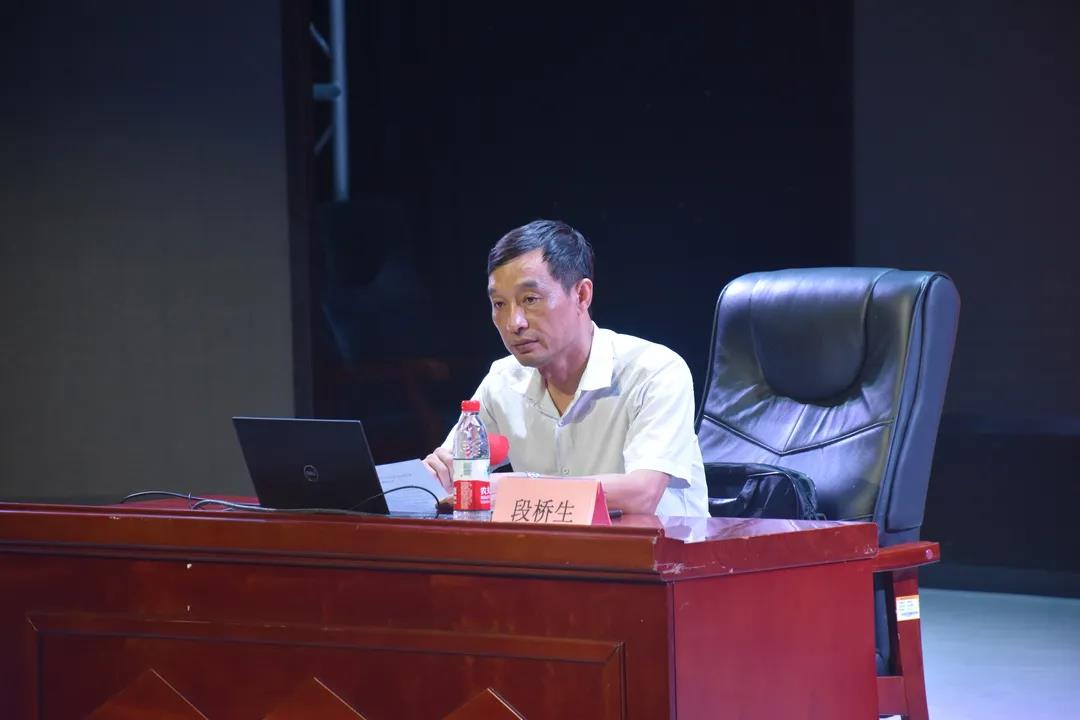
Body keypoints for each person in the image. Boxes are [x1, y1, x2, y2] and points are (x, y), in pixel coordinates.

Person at [422, 219, 707, 516]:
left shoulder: (654, 371)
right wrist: (437, 475)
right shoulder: (502, 381)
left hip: (666, 544)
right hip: (551, 547)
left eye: (530, 299)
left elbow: (642, 493)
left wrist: (522, 489)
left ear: (581, 295)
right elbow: (451, 476)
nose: (514, 323)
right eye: (499, 304)